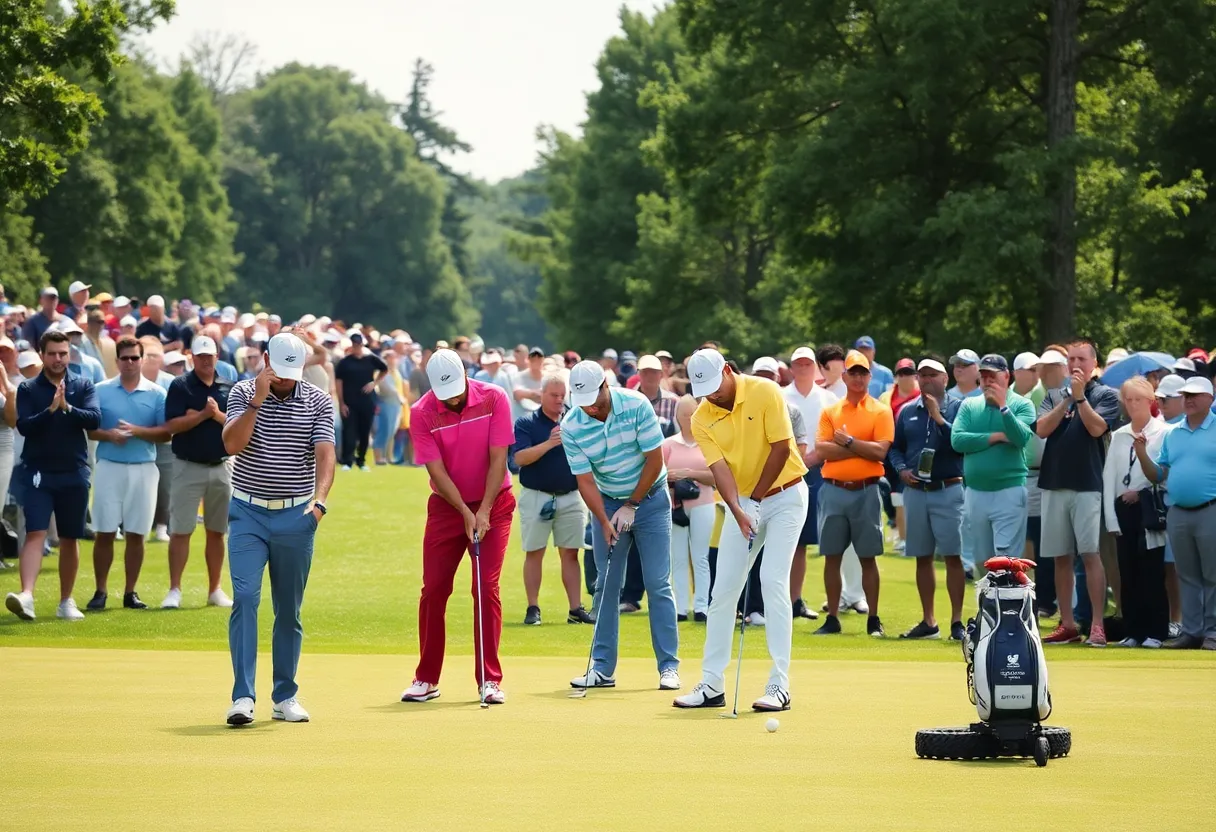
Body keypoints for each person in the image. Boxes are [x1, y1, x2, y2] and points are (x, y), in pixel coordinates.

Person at [674, 350, 808, 711]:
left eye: (716, 387)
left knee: (772, 579)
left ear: (729, 371)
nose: (712, 396)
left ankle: (780, 684)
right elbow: (720, 470)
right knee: (723, 590)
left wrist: (756, 500)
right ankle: (712, 684)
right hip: (744, 500)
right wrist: (738, 508)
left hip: (786, 495)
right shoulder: (702, 417)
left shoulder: (765, 391)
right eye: (705, 391)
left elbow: (781, 449)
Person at [222, 333, 335, 725]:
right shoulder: (241, 392)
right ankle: (243, 696)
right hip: (248, 513)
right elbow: (233, 444)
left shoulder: (318, 400)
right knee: (246, 598)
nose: (285, 380)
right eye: (279, 372)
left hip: (296, 515)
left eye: (292, 373)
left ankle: (284, 695)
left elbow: (325, 453)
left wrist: (319, 502)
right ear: (265, 359)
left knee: (289, 609)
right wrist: (257, 399)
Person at [401, 349, 516, 705]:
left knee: (485, 587)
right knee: (433, 589)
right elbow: (435, 471)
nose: (450, 399)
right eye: (443, 393)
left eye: (455, 390)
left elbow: (499, 459)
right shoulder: (421, 412)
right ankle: (426, 678)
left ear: (466, 375)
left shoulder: (494, 397)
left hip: (495, 503)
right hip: (447, 509)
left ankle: (489, 680)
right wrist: (466, 514)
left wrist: (482, 510)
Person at [561, 360, 680, 692]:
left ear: (605, 386)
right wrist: (603, 520)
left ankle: (668, 667)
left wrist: (633, 504)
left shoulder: (636, 405)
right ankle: (602, 669)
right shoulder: (572, 425)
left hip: (652, 500)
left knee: (658, 584)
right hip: (608, 502)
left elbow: (655, 459)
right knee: (606, 586)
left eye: (596, 402)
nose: (592, 410)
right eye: (584, 403)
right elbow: (584, 480)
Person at [5, 330, 101, 621]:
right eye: (53, 354)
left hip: (74, 471)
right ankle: (27, 596)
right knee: (35, 531)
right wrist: (50, 410)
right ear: (42, 354)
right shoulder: (28, 389)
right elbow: (25, 426)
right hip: (37, 473)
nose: (59, 359)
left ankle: (66, 602)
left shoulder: (82, 385)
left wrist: (68, 408)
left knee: (70, 537)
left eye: (63, 353)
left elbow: (94, 419)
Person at [1036, 339, 1121, 647]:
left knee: (1090, 554)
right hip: (1054, 484)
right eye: (1070, 359)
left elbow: (1097, 428)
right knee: (1060, 557)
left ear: (1093, 363)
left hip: (1087, 485)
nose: (1075, 364)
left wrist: (1081, 399)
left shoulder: (1106, 395)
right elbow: (1042, 429)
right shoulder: (1054, 395)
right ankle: (1068, 624)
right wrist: (1067, 400)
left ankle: (1097, 625)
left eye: (1081, 359)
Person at [813, 349, 894, 637]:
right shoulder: (831, 411)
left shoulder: (880, 411)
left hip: (866, 490)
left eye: (863, 372)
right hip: (834, 490)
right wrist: (861, 447)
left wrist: (847, 441)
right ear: (844, 376)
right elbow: (822, 450)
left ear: (870, 376)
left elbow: (881, 451)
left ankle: (873, 618)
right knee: (831, 556)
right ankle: (832, 617)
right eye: (853, 373)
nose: (858, 378)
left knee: (868, 557)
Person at [86, 337, 169, 611]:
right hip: (109, 466)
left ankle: (130, 592)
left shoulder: (157, 393)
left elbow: (165, 433)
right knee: (105, 530)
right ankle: (100, 591)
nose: (130, 363)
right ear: (117, 360)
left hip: (144, 468)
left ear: (142, 360)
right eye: (125, 358)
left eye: (135, 358)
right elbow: (88, 428)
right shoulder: (100, 390)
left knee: (137, 533)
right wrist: (108, 435)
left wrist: (137, 431)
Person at [1136, 376, 1216, 650]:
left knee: (1212, 574)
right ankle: (1192, 632)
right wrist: (1142, 453)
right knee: (1187, 575)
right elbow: (1158, 474)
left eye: (1195, 395)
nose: (1188, 399)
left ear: (1210, 398)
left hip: (1210, 509)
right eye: (1185, 395)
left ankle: (1213, 632)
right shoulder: (1174, 432)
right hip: (1178, 512)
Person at [889, 358, 967, 640]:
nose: (925, 380)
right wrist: (901, 470)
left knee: (952, 557)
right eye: (922, 376)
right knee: (922, 557)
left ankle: (957, 621)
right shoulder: (907, 411)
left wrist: (938, 417)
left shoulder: (960, 408)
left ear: (945, 379)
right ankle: (929, 621)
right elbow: (895, 449)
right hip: (916, 492)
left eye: (932, 375)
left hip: (948, 489)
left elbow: (959, 444)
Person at [512, 373, 593, 626]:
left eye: (562, 395)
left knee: (571, 553)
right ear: (542, 395)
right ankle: (533, 607)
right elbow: (519, 459)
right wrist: (549, 443)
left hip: (570, 495)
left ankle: (575, 609)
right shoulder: (526, 423)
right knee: (534, 552)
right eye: (554, 395)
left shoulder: (576, 420)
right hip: (537, 496)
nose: (559, 400)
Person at [949, 352, 1036, 584]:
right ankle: (988, 611)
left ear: (1006, 376)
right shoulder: (969, 405)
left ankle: (1009, 611)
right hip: (975, 492)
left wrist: (1004, 408)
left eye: (992, 376)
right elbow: (957, 440)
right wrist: (996, 437)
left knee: (1006, 559)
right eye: (983, 376)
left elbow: (1020, 438)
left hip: (1009, 491)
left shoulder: (1022, 405)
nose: (987, 382)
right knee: (980, 559)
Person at [161, 335, 233, 609]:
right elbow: (173, 425)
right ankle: (174, 589)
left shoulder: (228, 387)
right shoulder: (181, 386)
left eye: (209, 356)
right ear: (192, 357)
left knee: (217, 531)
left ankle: (215, 590)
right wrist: (202, 415)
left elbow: (237, 424)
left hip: (221, 465)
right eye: (200, 356)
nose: (205, 360)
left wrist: (214, 416)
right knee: (181, 530)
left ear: (216, 357)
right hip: (187, 465)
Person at [1103, 377, 1170, 648]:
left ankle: (1156, 631)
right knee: (1127, 572)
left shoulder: (1163, 432)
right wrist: (1110, 517)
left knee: (1151, 573)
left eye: (1138, 400)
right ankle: (1133, 630)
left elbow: (1162, 474)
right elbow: (1109, 478)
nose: (1132, 405)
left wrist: (1139, 493)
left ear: (1150, 402)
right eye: (1128, 400)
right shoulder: (1119, 436)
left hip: (1148, 510)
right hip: (1123, 511)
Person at [783, 346, 835, 620]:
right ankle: (779, 600)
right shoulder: (779, 396)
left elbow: (833, 436)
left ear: (815, 367)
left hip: (820, 470)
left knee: (806, 540)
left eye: (807, 364)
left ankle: (795, 600)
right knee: (784, 539)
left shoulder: (827, 398)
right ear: (792, 368)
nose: (803, 368)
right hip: (783, 471)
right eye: (798, 364)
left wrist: (813, 457)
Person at [663, 395, 716, 622]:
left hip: (703, 503)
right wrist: (671, 479)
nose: (688, 418)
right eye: (683, 414)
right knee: (678, 557)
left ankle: (702, 605)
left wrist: (690, 474)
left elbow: (717, 477)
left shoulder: (709, 443)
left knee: (700, 556)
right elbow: (657, 474)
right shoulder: (668, 445)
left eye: (692, 414)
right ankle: (680, 606)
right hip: (676, 506)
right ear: (677, 417)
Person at [334, 331, 387, 471]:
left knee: (364, 431)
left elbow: (384, 369)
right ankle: (347, 461)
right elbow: (338, 382)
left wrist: (374, 383)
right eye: (355, 345)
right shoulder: (345, 362)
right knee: (349, 432)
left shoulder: (370, 359)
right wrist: (341, 403)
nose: (357, 347)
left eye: (359, 344)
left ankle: (361, 460)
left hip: (366, 401)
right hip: (349, 401)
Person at [373, 350, 407, 465]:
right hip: (386, 403)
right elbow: (385, 388)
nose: (394, 360)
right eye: (391, 357)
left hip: (395, 405)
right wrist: (399, 397)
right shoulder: (382, 371)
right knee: (384, 430)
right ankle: (378, 457)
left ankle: (387, 456)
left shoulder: (396, 372)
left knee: (391, 431)